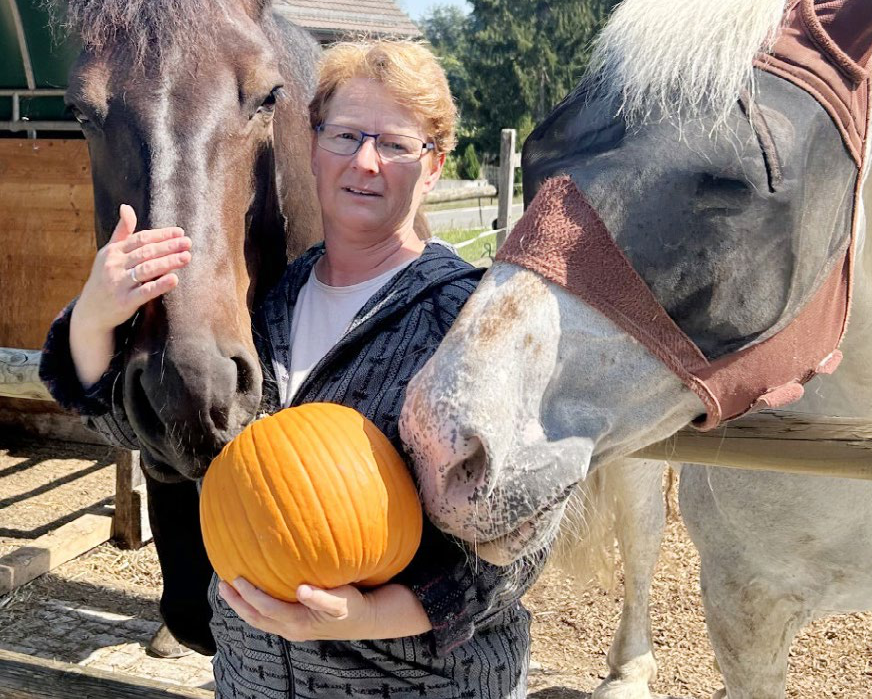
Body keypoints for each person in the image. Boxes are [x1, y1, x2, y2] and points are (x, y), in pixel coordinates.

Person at [40, 40, 543, 698]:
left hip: (416, 684)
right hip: (252, 682)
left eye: (394, 144)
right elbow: (150, 431)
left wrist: (369, 617)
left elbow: (520, 542)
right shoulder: (262, 306)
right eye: (344, 135)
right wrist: (94, 318)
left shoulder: (470, 321)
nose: (364, 162)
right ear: (312, 148)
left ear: (434, 166)